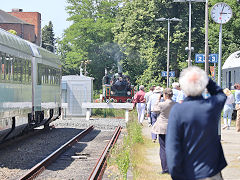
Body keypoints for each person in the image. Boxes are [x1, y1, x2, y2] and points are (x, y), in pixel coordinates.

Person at [166, 66, 227, 180]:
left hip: (188, 173)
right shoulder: (211, 106)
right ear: (203, 85)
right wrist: (205, 80)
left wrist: (176, 174)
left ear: (183, 87)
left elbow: (172, 146)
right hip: (212, 172)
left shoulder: (178, 111)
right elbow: (220, 94)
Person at [152, 88, 175, 174]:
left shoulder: (161, 104)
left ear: (164, 95)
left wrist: (158, 99)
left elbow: (154, 109)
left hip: (162, 128)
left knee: (163, 148)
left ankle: (165, 168)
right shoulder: (175, 104)